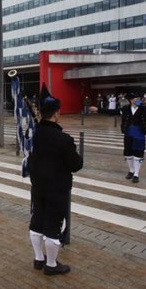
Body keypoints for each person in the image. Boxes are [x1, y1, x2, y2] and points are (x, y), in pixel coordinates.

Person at [28, 87, 83, 276]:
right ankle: (51, 265)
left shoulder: (34, 135)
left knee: (37, 223)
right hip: (56, 190)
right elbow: (76, 165)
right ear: (56, 113)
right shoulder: (63, 140)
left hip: (38, 187)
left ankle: (38, 258)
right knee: (53, 227)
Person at [121, 93, 146, 184]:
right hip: (128, 133)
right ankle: (131, 170)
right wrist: (98, 110)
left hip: (139, 134)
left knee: (138, 154)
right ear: (131, 100)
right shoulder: (126, 108)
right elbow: (113, 111)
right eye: (137, 99)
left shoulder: (145, 108)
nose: (139, 100)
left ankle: (136, 174)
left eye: (139, 98)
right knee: (128, 153)